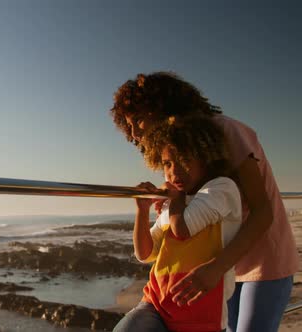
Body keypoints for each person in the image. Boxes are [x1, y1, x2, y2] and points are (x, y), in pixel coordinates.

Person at [110, 72, 298, 332]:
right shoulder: (178, 148)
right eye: (127, 126)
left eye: (138, 120)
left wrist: (215, 268)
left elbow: (263, 212)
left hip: (262, 258)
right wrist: (167, 190)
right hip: (224, 261)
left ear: (161, 106)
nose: (133, 134)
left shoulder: (225, 131)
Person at [113, 117, 242, 332]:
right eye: (167, 163)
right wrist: (142, 211)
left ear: (204, 157)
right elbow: (144, 253)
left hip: (201, 313)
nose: (174, 172)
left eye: (184, 160)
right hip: (155, 303)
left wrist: (174, 197)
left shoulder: (221, 188)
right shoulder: (174, 203)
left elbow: (182, 230)